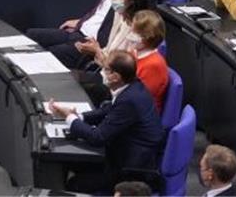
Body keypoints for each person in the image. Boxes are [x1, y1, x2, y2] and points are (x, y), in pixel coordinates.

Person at [51, 51, 165, 195]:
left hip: (129, 170)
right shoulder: (133, 86)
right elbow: (109, 110)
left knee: (75, 183)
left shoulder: (129, 100)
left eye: (105, 69)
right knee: (69, 162)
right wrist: (78, 116)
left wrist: (70, 119)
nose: (102, 73)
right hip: (124, 153)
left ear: (115, 77)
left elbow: (98, 137)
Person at [128, 9, 169, 111]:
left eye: (134, 32)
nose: (130, 35)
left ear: (147, 37)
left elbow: (139, 100)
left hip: (139, 117)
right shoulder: (135, 53)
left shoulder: (154, 65)